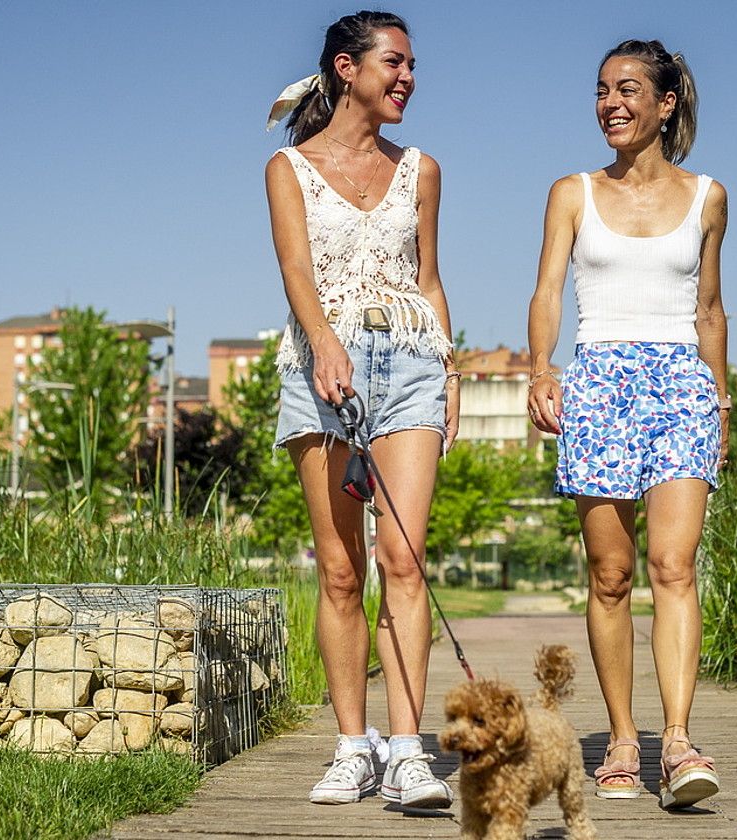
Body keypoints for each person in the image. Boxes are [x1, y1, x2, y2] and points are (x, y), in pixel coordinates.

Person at [525, 38, 730, 811]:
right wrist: (542, 368)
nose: (611, 102)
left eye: (629, 89)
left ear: (665, 103)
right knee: (610, 574)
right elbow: (547, 288)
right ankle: (619, 738)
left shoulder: (709, 195)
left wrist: (722, 404)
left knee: (673, 567)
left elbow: (710, 310)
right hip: (599, 378)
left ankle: (676, 743)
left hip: (681, 382)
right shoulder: (572, 191)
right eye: (603, 90)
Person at [264, 10, 458, 809]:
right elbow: (295, 269)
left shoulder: (422, 169)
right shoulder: (289, 167)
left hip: (411, 360)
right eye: (395, 63)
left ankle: (408, 750)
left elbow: (431, 278)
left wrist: (449, 369)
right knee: (341, 570)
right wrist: (323, 344)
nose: (408, 77)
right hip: (323, 367)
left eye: (413, 66)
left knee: (403, 559)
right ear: (347, 68)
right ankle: (353, 746)